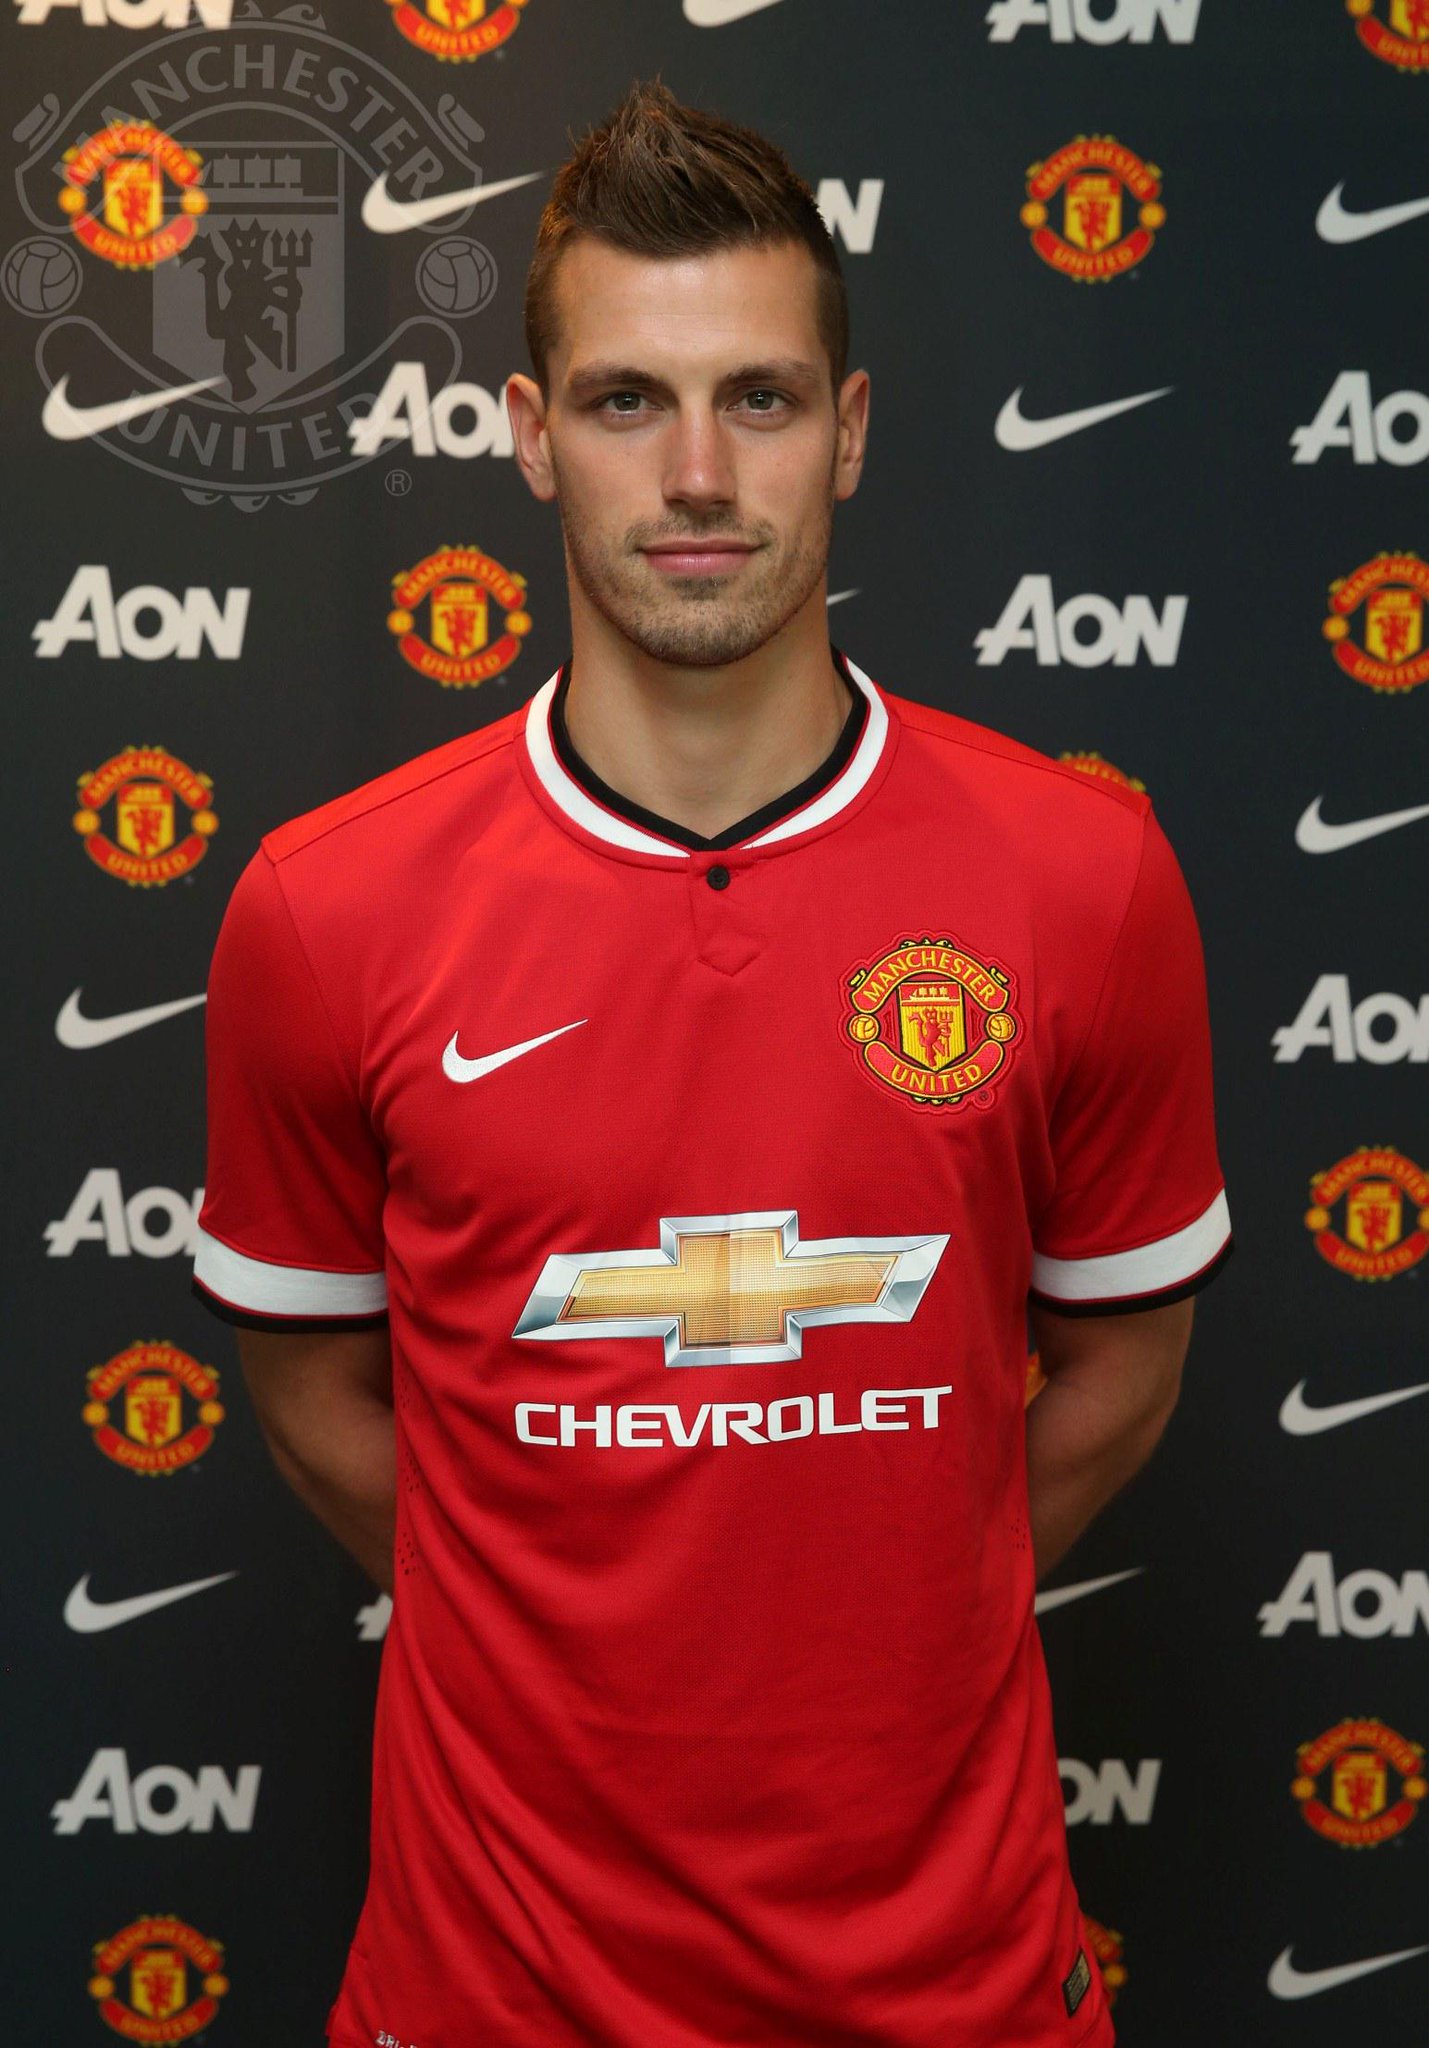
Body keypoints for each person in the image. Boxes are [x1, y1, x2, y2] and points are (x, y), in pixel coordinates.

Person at [193, 80, 1232, 2048]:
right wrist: (560, 1625)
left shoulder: (1079, 876)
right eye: (624, 401)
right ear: (529, 436)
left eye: (758, 398)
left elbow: (1121, 1369)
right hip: (491, 1994)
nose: (694, 473)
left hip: (956, 1993)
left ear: (848, 432)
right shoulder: (327, 908)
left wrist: (889, 1600)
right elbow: (313, 1394)